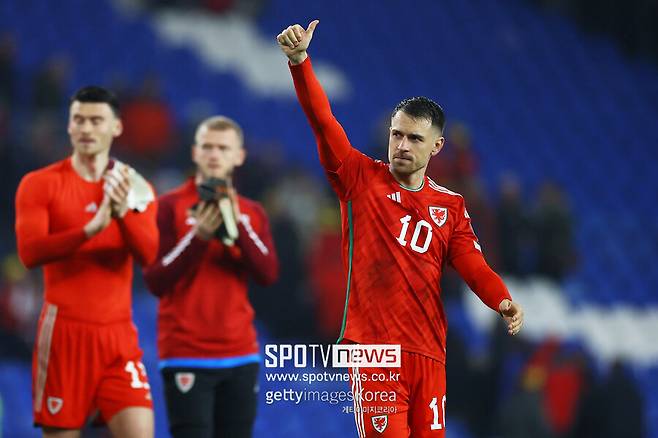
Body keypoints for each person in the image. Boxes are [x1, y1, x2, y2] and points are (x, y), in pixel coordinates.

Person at [277, 21, 525, 437]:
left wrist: (501, 300)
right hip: (374, 352)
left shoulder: (451, 206)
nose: (402, 145)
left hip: (429, 354)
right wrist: (300, 62)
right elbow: (323, 121)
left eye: (413, 138)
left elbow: (472, 266)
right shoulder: (358, 178)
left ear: (436, 146)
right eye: (396, 135)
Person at [14, 86, 158, 437]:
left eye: (96, 120)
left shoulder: (135, 187)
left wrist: (123, 214)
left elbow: (150, 256)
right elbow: (30, 253)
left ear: (117, 127)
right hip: (64, 333)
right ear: (69, 126)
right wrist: (89, 230)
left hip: (118, 337)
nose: (86, 129)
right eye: (78, 120)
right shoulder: (40, 184)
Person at [143, 115, 279, 438]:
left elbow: (268, 274)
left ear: (239, 156)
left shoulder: (252, 212)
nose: (214, 154)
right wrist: (198, 238)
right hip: (186, 352)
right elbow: (155, 280)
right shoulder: (168, 206)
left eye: (223, 147)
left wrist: (237, 222)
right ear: (194, 153)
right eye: (207, 146)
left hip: (240, 352)